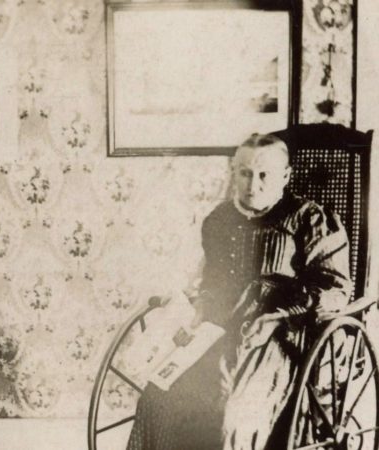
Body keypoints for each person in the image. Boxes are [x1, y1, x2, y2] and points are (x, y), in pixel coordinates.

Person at [126, 133, 351, 450]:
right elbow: (212, 285)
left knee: (233, 412)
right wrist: (195, 309)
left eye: (264, 175)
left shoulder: (309, 219)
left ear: (285, 177)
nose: (253, 184)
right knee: (159, 398)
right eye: (245, 173)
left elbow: (335, 289)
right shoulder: (219, 221)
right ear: (233, 172)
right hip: (220, 332)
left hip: (282, 337)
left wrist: (280, 314)